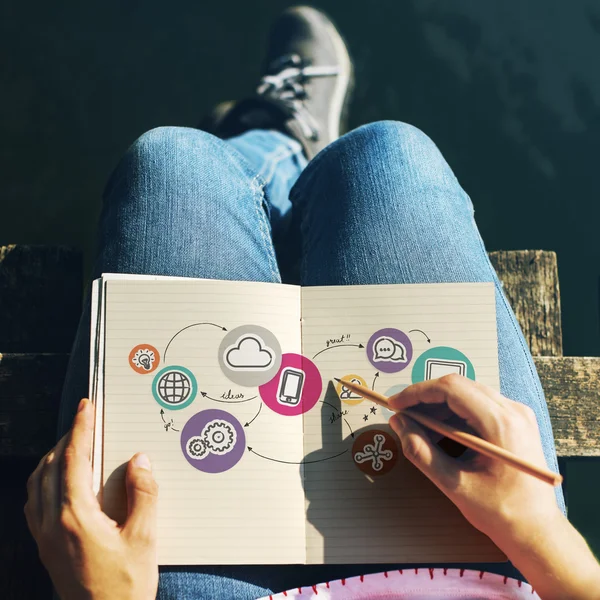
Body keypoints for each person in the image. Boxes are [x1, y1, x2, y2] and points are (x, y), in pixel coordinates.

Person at [24, 6, 600, 599]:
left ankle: (266, 148)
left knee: (172, 163)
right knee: (387, 154)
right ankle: (284, 153)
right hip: (479, 574)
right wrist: (545, 535)